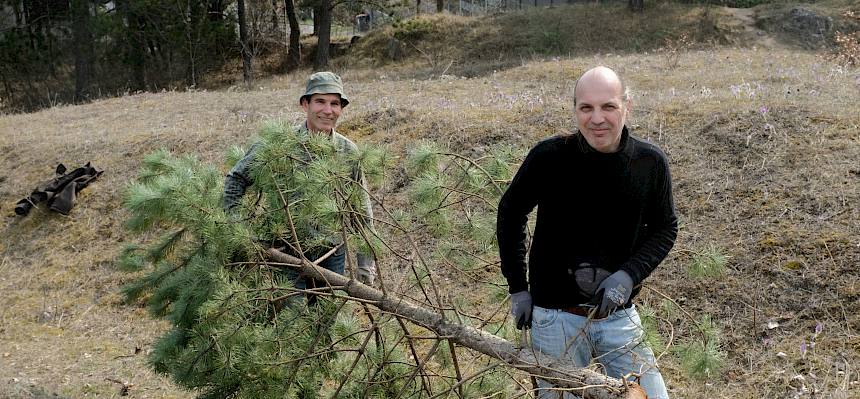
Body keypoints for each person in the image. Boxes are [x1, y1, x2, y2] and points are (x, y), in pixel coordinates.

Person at [496, 66, 677, 399]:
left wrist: (628, 275)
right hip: (554, 321)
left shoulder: (649, 163)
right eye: (586, 108)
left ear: (627, 106)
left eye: (608, 106)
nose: (597, 119)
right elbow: (510, 212)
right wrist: (518, 287)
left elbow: (666, 228)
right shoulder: (549, 157)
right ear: (575, 110)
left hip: (618, 319)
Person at [223, 71, 377, 291]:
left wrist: (365, 267)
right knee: (293, 310)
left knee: (328, 311)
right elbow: (235, 180)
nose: (328, 110)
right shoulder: (278, 146)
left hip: (332, 253)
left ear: (341, 108)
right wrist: (239, 229)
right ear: (305, 104)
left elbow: (362, 213)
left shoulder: (348, 151)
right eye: (320, 102)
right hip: (286, 253)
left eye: (334, 103)